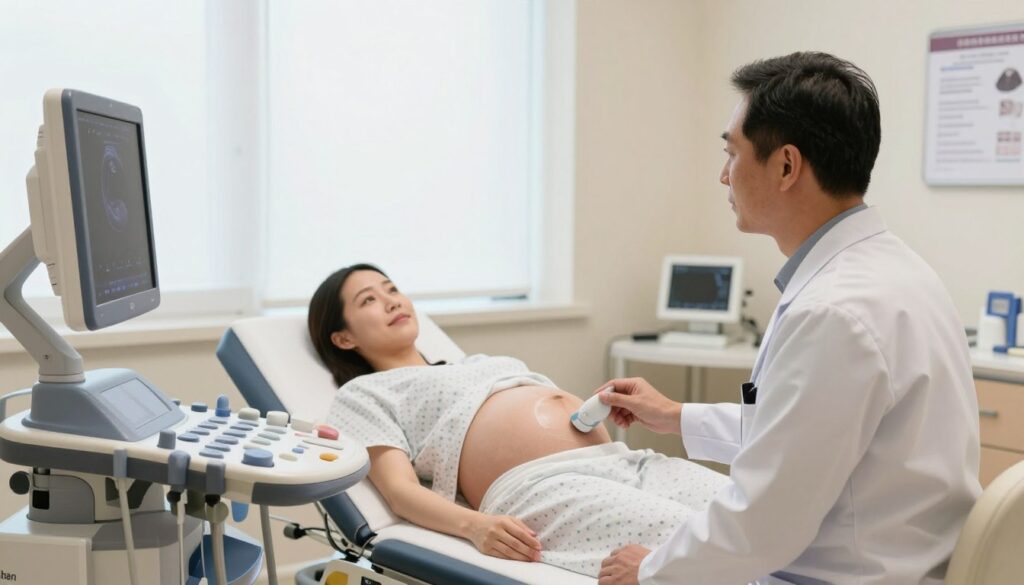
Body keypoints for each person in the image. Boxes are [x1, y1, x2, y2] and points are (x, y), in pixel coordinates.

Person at [596, 52, 981, 585]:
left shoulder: (835, 312)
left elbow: (763, 523)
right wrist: (677, 415)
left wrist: (651, 570)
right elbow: (803, 436)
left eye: (732, 153)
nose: (722, 175)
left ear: (785, 166)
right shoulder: (895, 272)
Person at [307, 264, 731, 577]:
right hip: (543, 487)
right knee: (694, 542)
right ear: (344, 338)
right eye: (369, 300)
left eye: (392, 288)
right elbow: (398, 492)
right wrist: (477, 526)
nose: (392, 300)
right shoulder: (365, 393)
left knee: (746, 509)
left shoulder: (477, 363)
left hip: (624, 460)